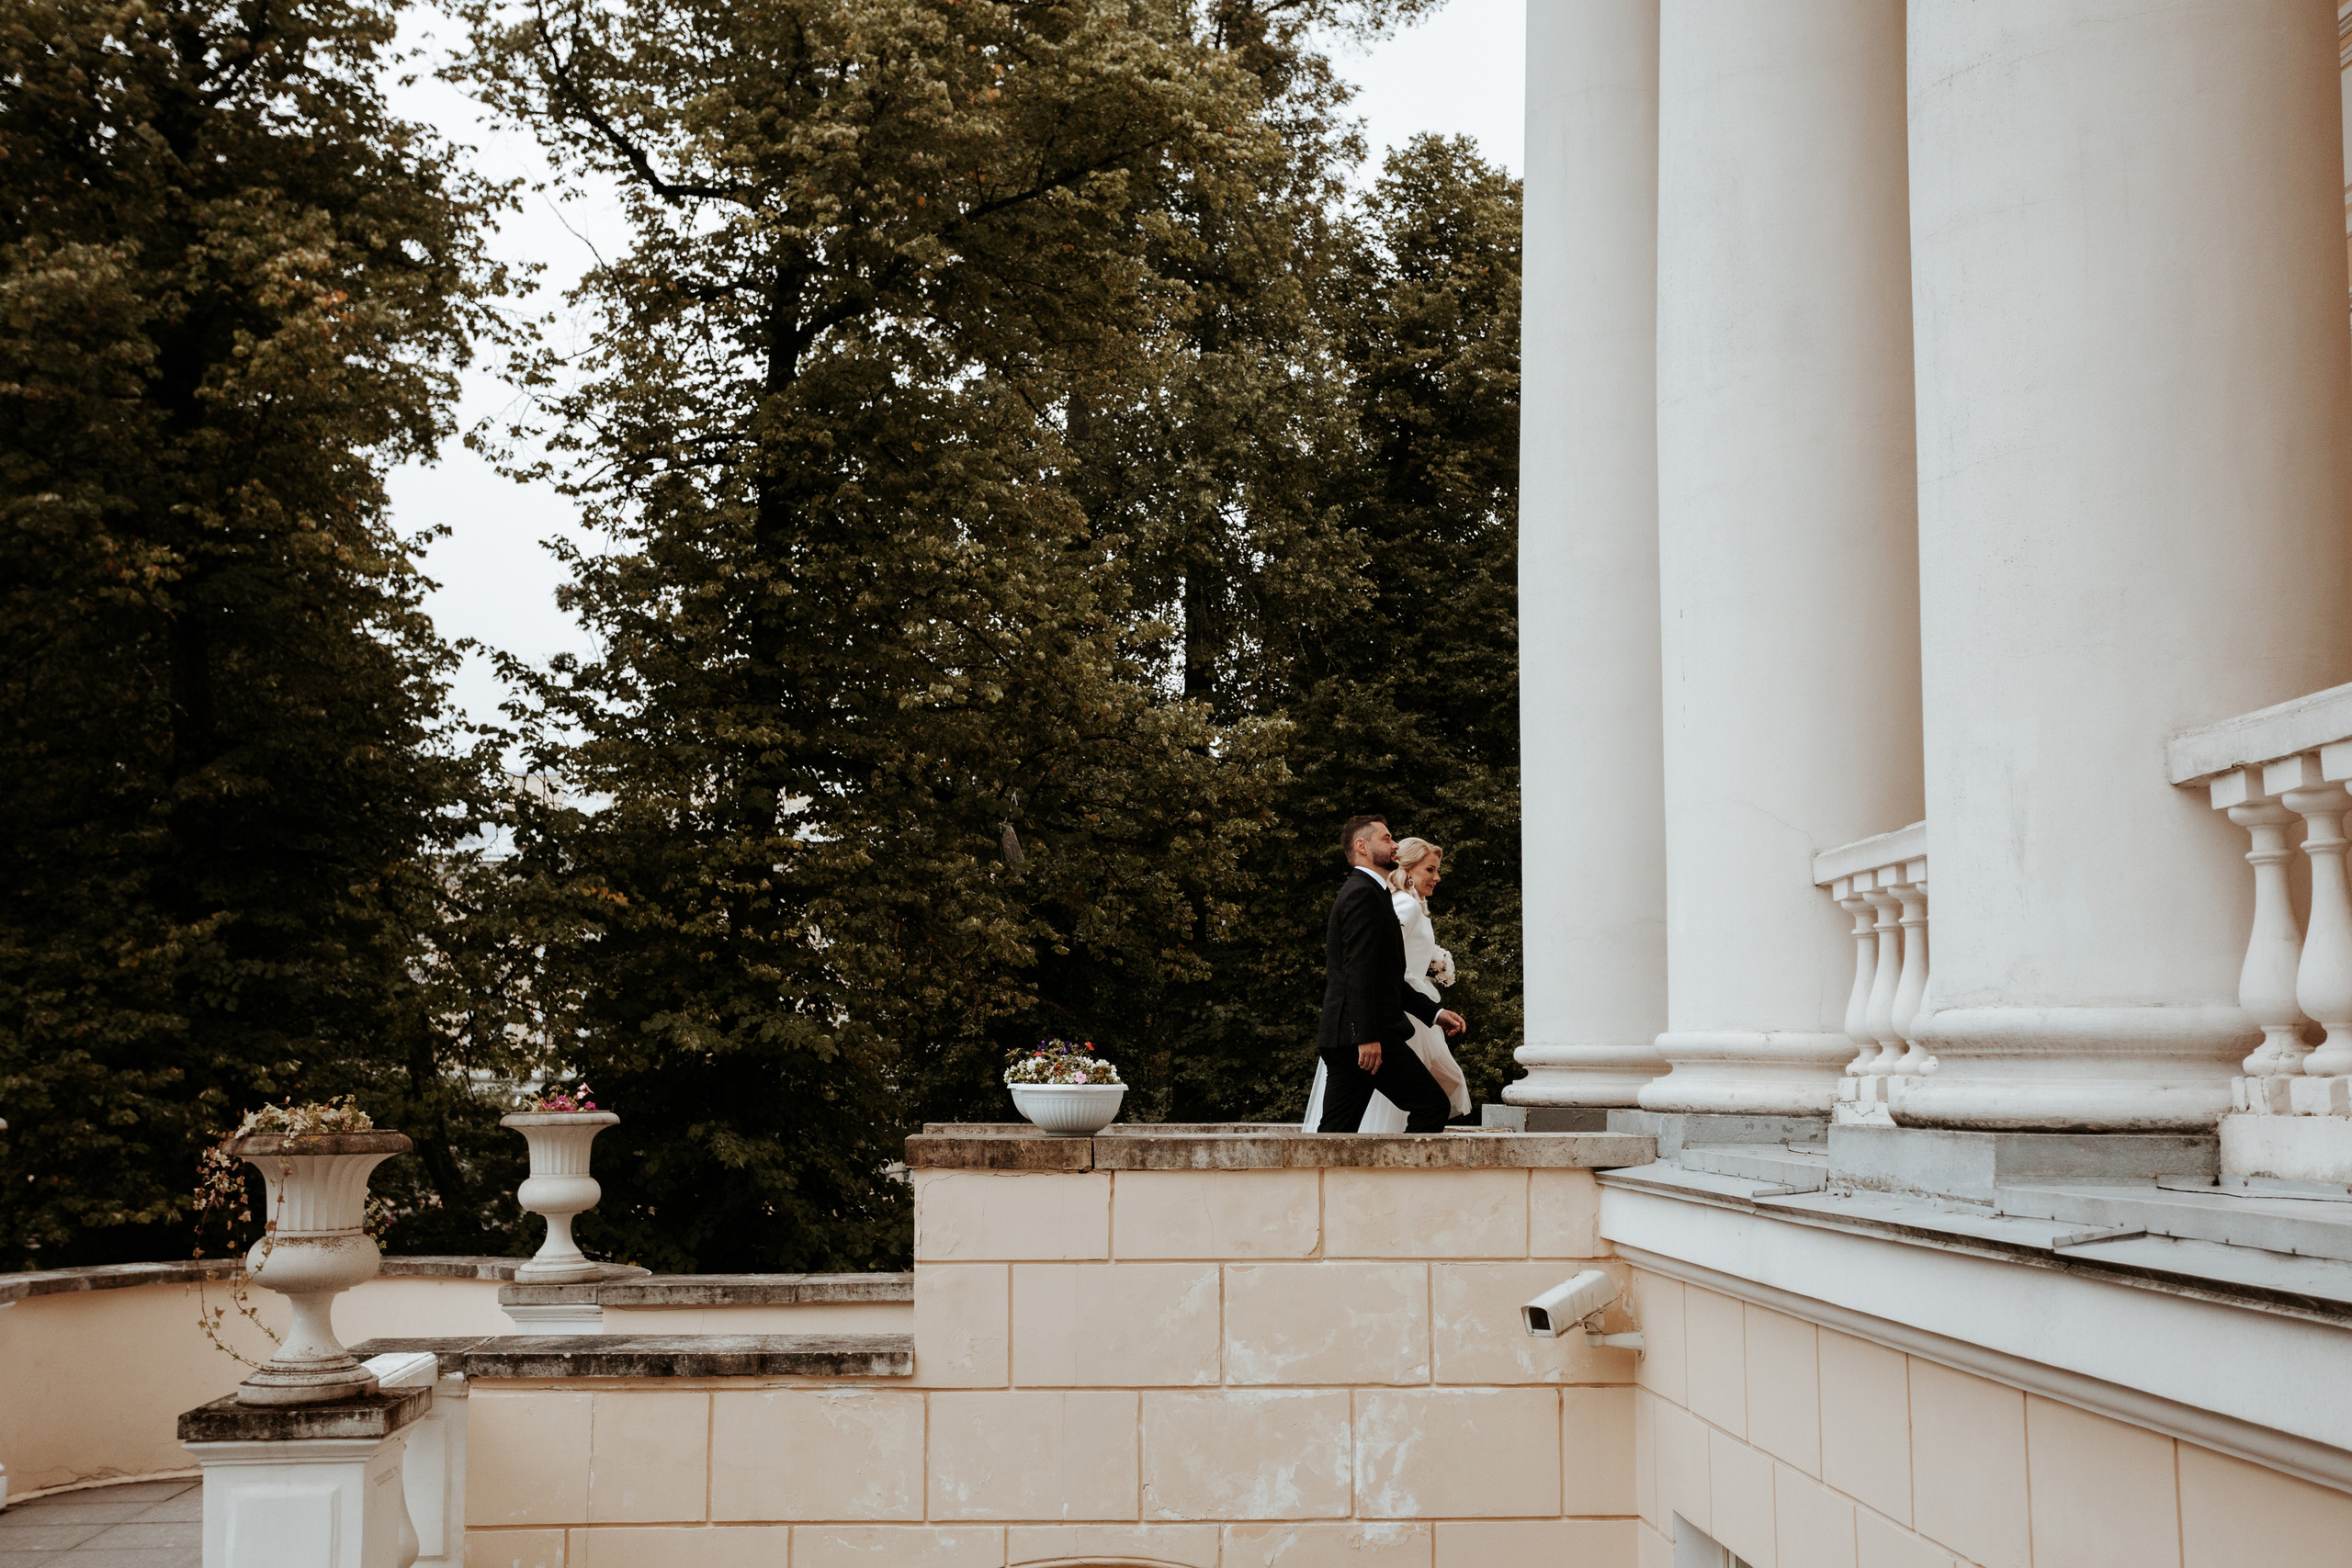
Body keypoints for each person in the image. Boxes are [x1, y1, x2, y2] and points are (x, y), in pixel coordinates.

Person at [1309, 814, 1465, 1134]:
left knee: (1335, 1134)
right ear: (1362, 846)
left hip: (1347, 1037)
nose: (1395, 845)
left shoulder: (1376, 893)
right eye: (1386, 838)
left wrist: (1434, 1013)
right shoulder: (1361, 894)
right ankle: (1404, 1185)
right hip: (1364, 1037)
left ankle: (1323, 1185)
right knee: (1432, 1106)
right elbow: (1358, 973)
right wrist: (1366, 1036)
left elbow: (1388, 978)